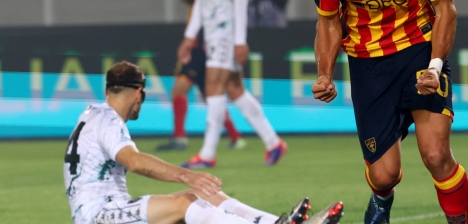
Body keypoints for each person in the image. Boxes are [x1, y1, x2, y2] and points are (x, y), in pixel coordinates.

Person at [311, 0, 468, 224]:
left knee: (436, 156)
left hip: (418, 49)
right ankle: (381, 201)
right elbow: (328, 22)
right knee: (384, 175)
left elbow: (446, 10)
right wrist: (325, 73)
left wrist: (434, 66)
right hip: (368, 63)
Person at [63, 61, 344, 224]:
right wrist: (187, 175)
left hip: (110, 209)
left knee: (203, 196)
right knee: (186, 201)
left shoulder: (93, 115)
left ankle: (275, 222)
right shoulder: (108, 119)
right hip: (98, 216)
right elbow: (134, 162)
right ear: (139, 93)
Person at [178, 0, 286, 168]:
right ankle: (273, 144)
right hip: (213, 32)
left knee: (213, 86)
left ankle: (207, 153)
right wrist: (190, 37)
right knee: (235, 90)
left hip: (227, 31)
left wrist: (240, 39)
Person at [155, 0, 246, 152]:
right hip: (209, 45)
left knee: (179, 90)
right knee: (210, 96)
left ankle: (179, 137)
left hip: (199, 47)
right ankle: (235, 136)